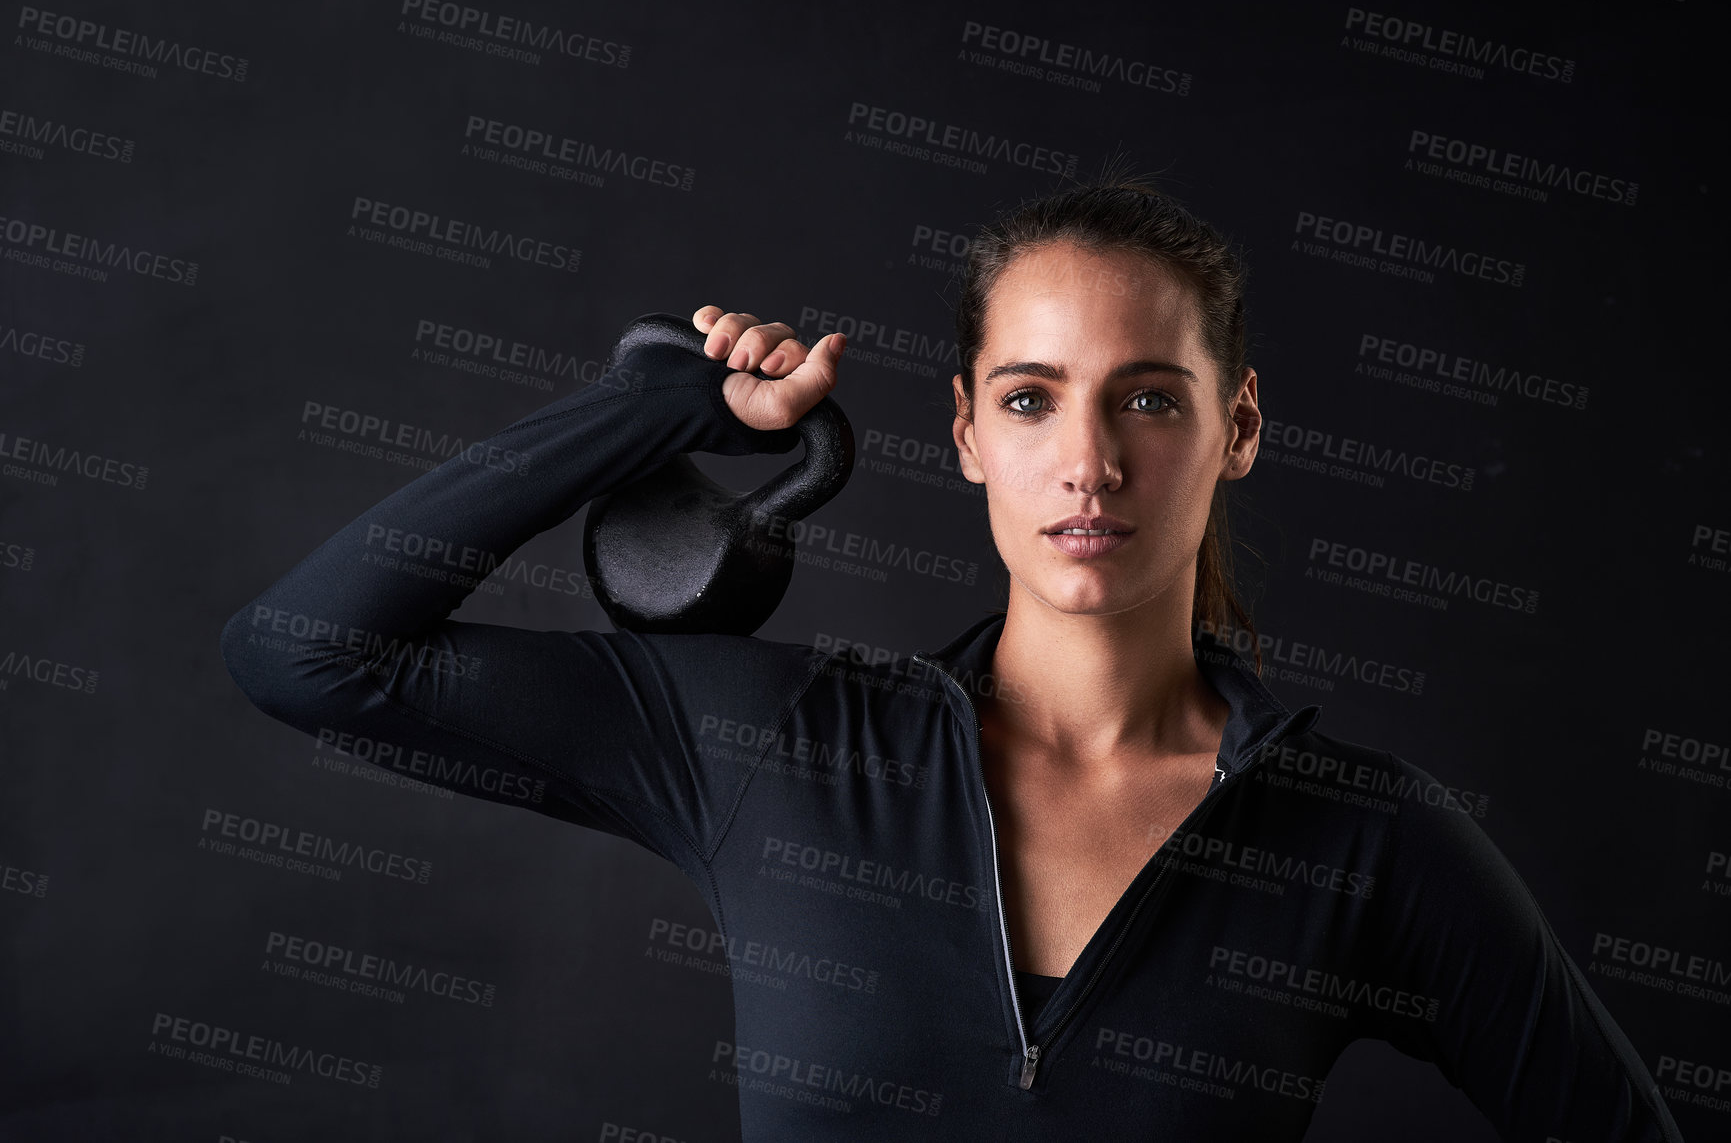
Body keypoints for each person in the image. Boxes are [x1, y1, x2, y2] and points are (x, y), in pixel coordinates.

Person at [219, 167, 1685, 1140]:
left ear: (1236, 431)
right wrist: (662, 407)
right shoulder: (777, 749)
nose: (1091, 464)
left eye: (1152, 402)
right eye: (1035, 402)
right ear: (970, 432)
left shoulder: (1363, 843)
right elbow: (308, 653)